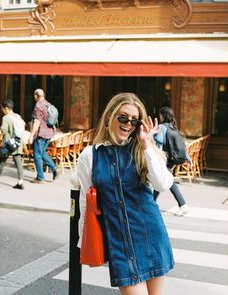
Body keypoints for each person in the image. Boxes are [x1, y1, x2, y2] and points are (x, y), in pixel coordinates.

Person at [75, 93, 175, 295]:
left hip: (151, 236)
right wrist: (84, 242)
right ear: (110, 116)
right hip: (119, 242)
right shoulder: (90, 155)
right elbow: (86, 204)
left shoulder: (142, 150)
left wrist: (147, 145)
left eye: (134, 120)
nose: (128, 124)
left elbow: (164, 184)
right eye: (123, 117)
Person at [154, 106, 190, 216]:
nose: (159, 117)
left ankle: (183, 205)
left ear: (163, 116)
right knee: (163, 180)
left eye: (160, 115)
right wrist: (187, 157)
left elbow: (160, 140)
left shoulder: (161, 127)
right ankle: (151, 203)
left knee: (168, 181)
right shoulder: (173, 127)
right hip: (172, 158)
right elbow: (178, 144)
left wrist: (153, 134)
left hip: (165, 158)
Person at [28, 89, 59, 183]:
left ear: (36, 96)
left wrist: (31, 135)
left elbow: (37, 122)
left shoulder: (38, 106)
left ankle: (40, 177)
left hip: (41, 134)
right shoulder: (48, 104)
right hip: (49, 133)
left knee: (37, 155)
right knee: (43, 153)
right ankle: (54, 169)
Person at [0, 99, 24, 189]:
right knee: (18, 163)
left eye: (2, 109)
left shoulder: (6, 118)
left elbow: (4, 130)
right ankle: (20, 182)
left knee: (2, 162)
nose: (2, 111)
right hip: (17, 143)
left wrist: (1, 128)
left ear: (6, 108)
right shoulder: (17, 116)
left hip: (8, 144)